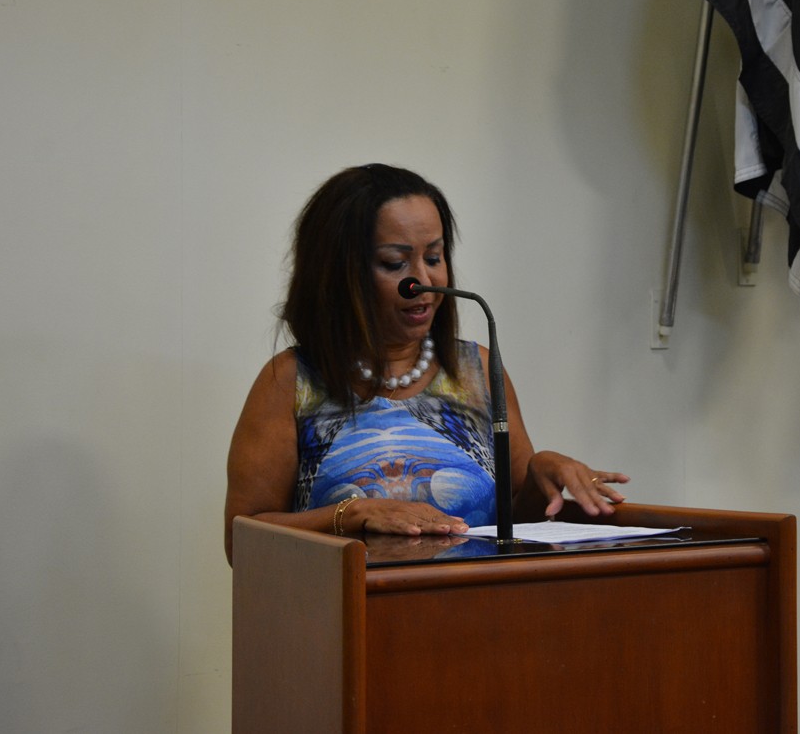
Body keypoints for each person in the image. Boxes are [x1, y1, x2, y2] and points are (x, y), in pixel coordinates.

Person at [223, 164, 628, 563]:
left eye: (434, 257)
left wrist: (542, 475)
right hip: (346, 604)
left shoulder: (477, 371)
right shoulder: (290, 381)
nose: (422, 281)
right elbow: (242, 541)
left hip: (474, 601)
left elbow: (516, 527)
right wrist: (351, 515)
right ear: (339, 273)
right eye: (394, 263)